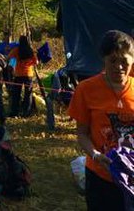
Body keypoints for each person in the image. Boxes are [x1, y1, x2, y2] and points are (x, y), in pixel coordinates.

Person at [68, 30, 134, 210]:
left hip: (131, 175)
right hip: (100, 175)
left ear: (132, 61)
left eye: (124, 61)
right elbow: (82, 133)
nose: (119, 66)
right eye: (113, 60)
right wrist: (95, 155)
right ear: (103, 59)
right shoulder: (86, 89)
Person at [8, 35, 38, 117]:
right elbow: (36, 62)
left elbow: (9, 57)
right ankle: (26, 113)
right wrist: (29, 64)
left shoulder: (16, 50)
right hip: (28, 74)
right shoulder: (30, 51)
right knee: (28, 94)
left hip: (18, 74)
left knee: (16, 94)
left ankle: (14, 112)